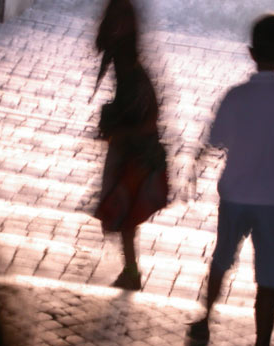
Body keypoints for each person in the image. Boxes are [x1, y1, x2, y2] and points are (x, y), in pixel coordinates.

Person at [188, 14, 274, 346]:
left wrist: (198, 165)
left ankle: (203, 323)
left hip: (235, 193)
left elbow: (214, 142)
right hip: (273, 200)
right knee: (269, 276)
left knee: (222, 258)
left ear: (250, 51)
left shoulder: (235, 96)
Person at [94, 0, 169, 290]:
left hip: (136, 151)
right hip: (133, 148)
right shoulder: (124, 63)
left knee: (124, 212)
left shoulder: (131, 70)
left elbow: (150, 119)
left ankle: (132, 272)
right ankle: (130, 270)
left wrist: (122, 130)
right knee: (124, 213)